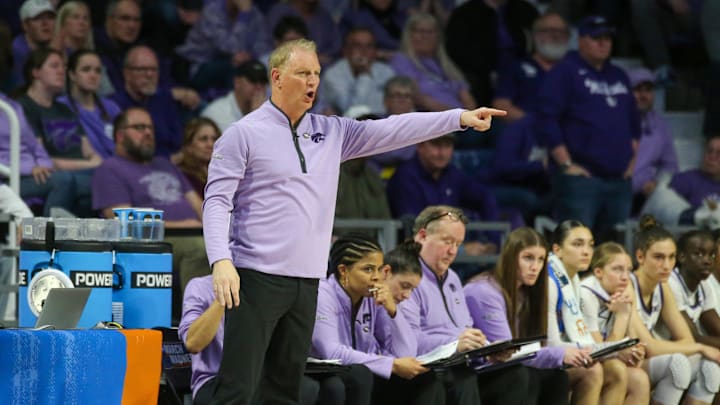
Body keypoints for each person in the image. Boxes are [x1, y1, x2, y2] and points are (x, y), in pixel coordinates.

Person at [203, 38, 506, 404]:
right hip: (256, 276)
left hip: (307, 280)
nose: (312, 81)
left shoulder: (332, 132)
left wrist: (457, 118)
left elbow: (393, 129)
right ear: (277, 77)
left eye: (316, 73)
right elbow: (217, 200)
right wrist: (221, 260)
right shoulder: (243, 134)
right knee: (239, 386)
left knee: (284, 390)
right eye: (303, 73)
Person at [401, 205, 527, 404]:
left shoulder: (452, 277)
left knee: (517, 374)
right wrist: (455, 344)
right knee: (462, 378)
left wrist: (487, 349)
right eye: (447, 242)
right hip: (424, 370)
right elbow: (407, 341)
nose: (453, 251)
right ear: (422, 236)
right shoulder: (404, 278)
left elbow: (465, 329)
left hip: (458, 365)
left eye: (458, 244)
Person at [536, 15, 640, 239]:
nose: (604, 43)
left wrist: (631, 163)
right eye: (596, 38)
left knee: (614, 252)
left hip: (619, 180)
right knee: (577, 247)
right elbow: (547, 119)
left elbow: (634, 123)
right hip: (581, 180)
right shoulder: (564, 72)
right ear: (581, 40)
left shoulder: (619, 75)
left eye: (607, 38)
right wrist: (565, 164)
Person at [91, 107, 209, 297]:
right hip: (153, 243)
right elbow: (123, 221)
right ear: (120, 136)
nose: (147, 133)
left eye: (150, 128)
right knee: (199, 249)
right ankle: (198, 322)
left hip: (196, 232)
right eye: (139, 127)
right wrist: (182, 226)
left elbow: (198, 204)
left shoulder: (165, 164)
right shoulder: (109, 169)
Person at [311, 235, 441, 405]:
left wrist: (393, 311)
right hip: (328, 372)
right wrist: (391, 365)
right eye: (368, 269)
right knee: (359, 375)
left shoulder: (372, 296)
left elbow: (406, 353)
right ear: (343, 270)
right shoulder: (323, 295)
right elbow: (332, 353)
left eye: (379, 269)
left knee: (425, 377)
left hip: (363, 371)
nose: (376, 277)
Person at [463, 227, 572, 405]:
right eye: (528, 258)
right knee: (520, 375)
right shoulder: (483, 291)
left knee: (557, 377)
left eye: (541, 259)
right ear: (510, 258)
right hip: (478, 374)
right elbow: (509, 354)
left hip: (510, 370)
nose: (535, 267)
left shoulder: (527, 293)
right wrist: (560, 354)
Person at [179, 274, 320, 405]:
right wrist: (224, 295)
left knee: (317, 387)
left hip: (260, 377)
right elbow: (193, 343)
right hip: (213, 380)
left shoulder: (271, 287)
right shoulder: (200, 287)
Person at [629, 216, 720, 405]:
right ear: (640, 257)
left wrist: (697, 347)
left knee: (711, 369)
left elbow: (685, 338)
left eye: (671, 257)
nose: (667, 265)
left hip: (654, 356)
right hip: (625, 360)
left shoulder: (662, 286)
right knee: (677, 366)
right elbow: (650, 346)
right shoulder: (628, 285)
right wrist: (701, 347)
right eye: (659, 257)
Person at [18, 47, 101, 217]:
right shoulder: (24, 107)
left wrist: (94, 165)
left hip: (79, 172)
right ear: (36, 72)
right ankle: (48, 238)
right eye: (54, 66)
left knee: (94, 191)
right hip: (48, 175)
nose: (61, 71)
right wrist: (90, 165)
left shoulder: (64, 109)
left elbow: (91, 153)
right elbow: (44, 161)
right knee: (102, 184)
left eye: (63, 66)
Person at [545, 220, 611, 405]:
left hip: (562, 351)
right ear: (557, 250)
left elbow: (589, 333)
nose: (586, 251)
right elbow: (551, 343)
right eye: (577, 244)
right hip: (540, 357)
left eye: (590, 244)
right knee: (593, 371)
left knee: (626, 373)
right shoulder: (550, 282)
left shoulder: (573, 280)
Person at [579, 242, 651, 405]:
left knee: (640, 379)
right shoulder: (586, 293)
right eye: (617, 269)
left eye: (628, 270)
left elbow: (635, 345)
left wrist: (635, 353)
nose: (625, 277)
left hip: (602, 358)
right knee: (617, 369)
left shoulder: (622, 292)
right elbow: (598, 351)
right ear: (598, 272)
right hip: (580, 358)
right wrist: (622, 316)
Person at [0, 91, 75, 216]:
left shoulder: (12, 105)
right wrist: (29, 168)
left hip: (32, 172)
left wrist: (44, 164)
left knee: (85, 191)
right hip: (8, 178)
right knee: (64, 181)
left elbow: (33, 143)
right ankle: (46, 233)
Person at [175, 0, 272, 92]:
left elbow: (264, 44)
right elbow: (230, 47)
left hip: (240, 62)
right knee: (236, 68)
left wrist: (251, 55)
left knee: (263, 66)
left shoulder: (254, 13)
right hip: (201, 65)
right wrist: (244, 15)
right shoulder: (211, 12)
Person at [492, 11, 571, 122]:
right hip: (528, 131)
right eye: (550, 31)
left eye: (562, 32)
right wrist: (536, 124)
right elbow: (500, 105)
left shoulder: (577, 69)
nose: (556, 35)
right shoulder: (516, 67)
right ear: (536, 35)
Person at [390, 12, 476, 112]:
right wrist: (457, 117)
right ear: (409, 34)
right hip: (431, 120)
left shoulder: (445, 64)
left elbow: (469, 101)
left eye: (430, 32)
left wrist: (466, 118)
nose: (425, 36)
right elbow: (418, 98)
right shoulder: (401, 60)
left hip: (460, 121)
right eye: (420, 31)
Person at [111, 45, 184, 158]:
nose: (149, 75)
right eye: (142, 69)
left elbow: (177, 141)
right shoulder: (113, 105)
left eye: (154, 70)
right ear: (127, 73)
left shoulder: (164, 100)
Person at [628, 66, 679, 212]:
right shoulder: (614, 120)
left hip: (646, 196)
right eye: (637, 90)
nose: (644, 95)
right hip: (615, 193)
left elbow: (670, 165)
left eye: (648, 90)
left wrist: (657, 183)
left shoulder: (659, 125)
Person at [58, 49, 122, 159]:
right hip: (83, 171)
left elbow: (125, 145)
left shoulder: (112, 108)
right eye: (86, 70)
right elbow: (66, 150)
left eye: (97, 71)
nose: (93, 75)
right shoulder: (60, 107)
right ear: (72, 75)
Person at [319, 27, 395, 116]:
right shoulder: (333, 75)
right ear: (346, 50)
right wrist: (364, 74)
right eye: (357, 45)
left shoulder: (386, 71)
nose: (364, 51)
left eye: (369, 46)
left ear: (375, 51)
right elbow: (353, 112)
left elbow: (394, 107)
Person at [671, 230, 720, 347]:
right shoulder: (671, 283)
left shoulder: (704, 284)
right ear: (682, 256)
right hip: (664, 350)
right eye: (699, 254)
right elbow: (692, 337)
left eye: (712, 255)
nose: (707, 261)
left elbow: (716, 328)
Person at [200, 60, 268, 132]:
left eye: (263, 82)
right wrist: (256, 117)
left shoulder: (270, 113)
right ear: (237, 82)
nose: (259, 86)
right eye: (253, 80)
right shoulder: (217, 114)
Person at [11, 0, 56, 88]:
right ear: (25, 25)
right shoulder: (16, 51)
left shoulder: (61, 47)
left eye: (50, 17)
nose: (45, 23)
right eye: (37, 18)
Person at [175, 117, 220, 199]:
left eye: (214, 139)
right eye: (203, 139)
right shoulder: (183, 176)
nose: (210, 144)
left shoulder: (224, 172)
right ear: (189, 146)